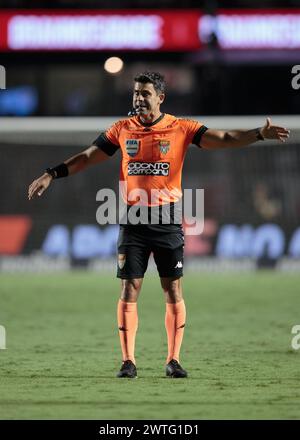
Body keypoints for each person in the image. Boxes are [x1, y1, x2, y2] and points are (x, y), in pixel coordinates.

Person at [28, 71, 290, 379]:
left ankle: (173, 359)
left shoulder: (180, 128)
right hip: (133, 221)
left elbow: (225, 138)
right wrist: (52, 173)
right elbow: (87, 157)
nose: (138, 98)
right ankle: (128, 361)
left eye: (145, 93)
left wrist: (258, 134)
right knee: (129, 288)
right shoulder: (121, 129)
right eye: (136, 93)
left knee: (172, 289)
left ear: (160, 98)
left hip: (167, 220)